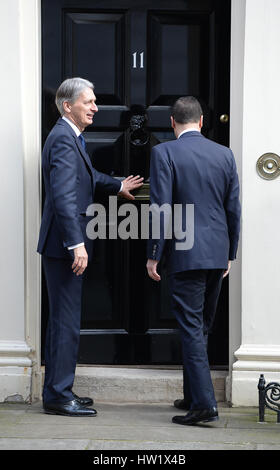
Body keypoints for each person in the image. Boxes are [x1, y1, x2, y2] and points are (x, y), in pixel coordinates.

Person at [37, 77, 143, 416]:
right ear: (68, 106)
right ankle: (58, 396)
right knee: (66, 321)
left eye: (96, 101)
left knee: (64, 320)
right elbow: (65, 197)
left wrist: (116, 184)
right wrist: (76, 244)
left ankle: (59, 390)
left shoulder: (69, 137)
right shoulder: (64, 140)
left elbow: (89, 176)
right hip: (64, 245)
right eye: (90, 102)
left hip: (63, 245)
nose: (96, 107)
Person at [146, 96, 241, 425]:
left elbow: (161, 207)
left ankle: (204, 405)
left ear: (173, 123)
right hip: (217, 253)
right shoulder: (224, 154)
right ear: (201, 122)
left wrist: (154, 255)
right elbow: (233, 210)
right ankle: (191, 394)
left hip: (185, 253)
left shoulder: (164, 152)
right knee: (200, 327)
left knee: (190, 328)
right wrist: (230, 253)